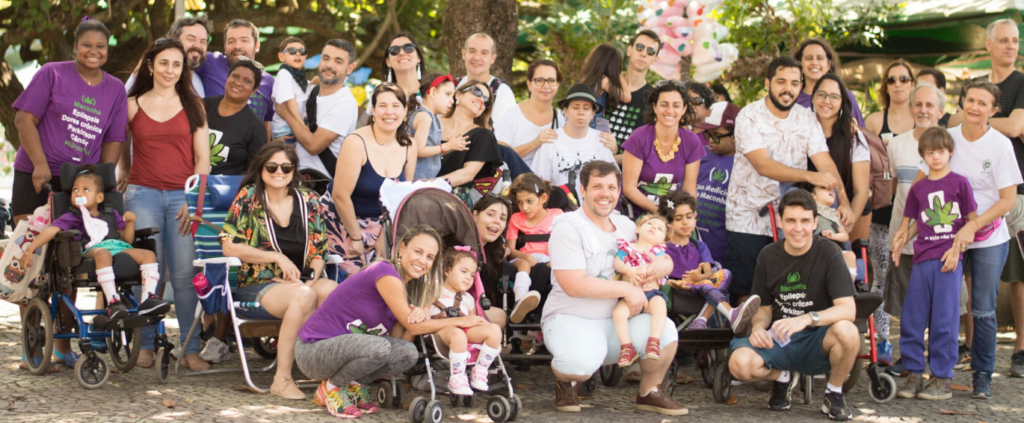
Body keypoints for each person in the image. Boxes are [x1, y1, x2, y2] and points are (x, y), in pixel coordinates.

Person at [541, 160, 687, 416]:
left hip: (619, 322)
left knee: (665, 332)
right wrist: (627, 290)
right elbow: (574, 285)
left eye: (611, 187)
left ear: (619, 191)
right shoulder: (568, 226)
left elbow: (656, 249)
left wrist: (666, 264)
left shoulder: (627, 225)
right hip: (572, 318)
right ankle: (566, 381)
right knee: (578, 365)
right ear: (582, 190)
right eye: (597, 186)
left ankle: (649, 392)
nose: (605, 193)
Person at [912, 81, 1022, 399]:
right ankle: (936, 374)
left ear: (994, 110)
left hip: (988, 236)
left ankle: (982, 375)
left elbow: (1007, 200)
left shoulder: (1000, 145)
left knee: (983, 309)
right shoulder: (948, 138)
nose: (974, 107)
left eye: (982, 103)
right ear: (961, 102)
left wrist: (972, 226)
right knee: (944, 306)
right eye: (970, 100)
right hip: (945, 235)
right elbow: (920, 184)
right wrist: (907, 225)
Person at [294, 226, 460, 418]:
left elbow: (399, 339)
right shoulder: (384, 271)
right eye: (418, 251)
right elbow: (412, 328)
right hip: (313, 351)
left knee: (407, 353)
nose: (423, 261)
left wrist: (420, 312)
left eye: (430, 257)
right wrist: (463, 321)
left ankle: (354, 386)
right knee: (379, 347)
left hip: (349, 350)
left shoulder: (408, 290)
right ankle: (332, 388)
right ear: (402, 248)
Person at [727, 189, 859, 421]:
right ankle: (782, 377)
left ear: (815, 222)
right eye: (791, 221)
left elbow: (848, 309)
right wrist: (758, 327)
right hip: (781, 338)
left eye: (805, 221)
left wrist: (806, 319)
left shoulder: (829, 252)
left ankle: (834, 393)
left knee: (848, 331)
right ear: (780, 221)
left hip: (819, 339)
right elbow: (763, 308)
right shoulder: (768, 255)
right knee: (739, 364)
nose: (798, 228)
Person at [723, 56, 847, 301]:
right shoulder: (749, 116)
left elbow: (825, 164)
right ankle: (747, 328)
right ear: (767, 83)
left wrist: (844, 202)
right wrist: (811, 176)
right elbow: (763, 165)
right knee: (748, 293)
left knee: (788, 292)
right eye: (781, 82)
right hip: (747, 218)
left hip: (791, 222)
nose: (787, 89)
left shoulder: (807, 118)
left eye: (794, 83)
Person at [220, 142, 337, 400]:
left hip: (300, 283)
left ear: (294, 170)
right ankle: (282, 379)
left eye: (286, 167)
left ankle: (333, 375)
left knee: (332, 290)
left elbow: (319, 251)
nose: (279, 172)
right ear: (261, 168)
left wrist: (308, 279)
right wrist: (276, 257)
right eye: (272, 166)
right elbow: (229, 246)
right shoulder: (249, 197)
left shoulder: (309, 200)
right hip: (258, 286)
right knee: (303, 296)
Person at [122, 38, 210, 371]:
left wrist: (194, 199)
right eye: (163, 63)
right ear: (150, 66)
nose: (170, 70)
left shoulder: (194, 105)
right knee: (149, 275)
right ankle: (144, 345)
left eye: (176, 64)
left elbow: (203, 160)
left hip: (181, 198)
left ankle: (189, 349)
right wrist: (122, 173)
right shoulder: (132, 104)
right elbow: (119, 145)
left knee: (185, 276)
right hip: (142, 195)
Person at [950, 20, 1024, 378]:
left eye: (1016, 41)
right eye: (1004, 40)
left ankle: (1019, 351)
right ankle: (969, 348)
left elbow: (1016, 127)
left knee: (1017, 279)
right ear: (988, 44)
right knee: (968, 283)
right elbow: (951, 121)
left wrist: (977, 120)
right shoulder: (977, 84)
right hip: (964, 205)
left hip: (1012, 196)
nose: (1012, 46)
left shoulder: (1022, 82)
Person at [891, 127, 978, 401]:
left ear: (949, 152)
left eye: (940, 151)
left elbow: (972, 222)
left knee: (944, 320)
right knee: (912, 318)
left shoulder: (960, 183)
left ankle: (942, 378)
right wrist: (902, 237)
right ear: (923, 156)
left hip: (949, 261)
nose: (936, 157)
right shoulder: (919, 188)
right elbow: (917, 222)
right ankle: (915, 373)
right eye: (930, 153)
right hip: (922, 259)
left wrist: (958, 249)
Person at [12, 19, 127, 223]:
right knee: (29, 236)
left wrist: (102, 179)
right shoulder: (52, 73)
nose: (94, 51)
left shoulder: (116, 89)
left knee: (75, 239)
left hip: (80, 181)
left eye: (100, 46)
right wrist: (40, 164)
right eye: (87, 45)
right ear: (75, 47)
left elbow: (113, 140)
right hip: (37, 173)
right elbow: (24, 120)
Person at [18, 165, 169, 318]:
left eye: (85, 190)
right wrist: (29, 250)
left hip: (117, 246)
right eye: (75, 190)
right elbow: (51, 231)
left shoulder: (111, 213)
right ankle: (113, 301)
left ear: (99, 198)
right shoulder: (72, 216)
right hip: (91, 249)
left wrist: (129, 223)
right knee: (103, 253)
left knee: (149, 255)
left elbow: (128, 240)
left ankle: (147, 299)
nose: (78, 193)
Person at [884, 83, 949, 374]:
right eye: (918, 104)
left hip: (939, 242)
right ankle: (909, 359)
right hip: (904, 239)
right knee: (906, 305)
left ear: (941, 111)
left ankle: (937, 361)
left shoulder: (950, 145)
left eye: (929, 105)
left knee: (938, 306)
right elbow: (895, 189)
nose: (923, 110)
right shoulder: (896, 145)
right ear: (910, 108)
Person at [323, 83, 416, 274]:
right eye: (382, 105)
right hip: (342, 221)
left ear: (405, 111)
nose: (389, 112)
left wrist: (383, 235)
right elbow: (340, 195)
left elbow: (402, 198)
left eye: (396, 105)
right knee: (357, 279)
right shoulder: (356, 142)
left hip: (381, 226)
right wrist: (356, 238)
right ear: (373, 110)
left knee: (390, 275)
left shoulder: (409, 145)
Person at [658, 191, 760, 332]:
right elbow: (659, 276)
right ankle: (730, 313)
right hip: (675, 292)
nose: (685, 222)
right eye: (678, 218)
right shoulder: (661, 247)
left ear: (695, 217)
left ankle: (702, 319)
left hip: (700, 290)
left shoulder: (699, 245)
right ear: (668, 222)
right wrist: (675, 283)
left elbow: (708, 273)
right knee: (708, 286)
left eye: (689, 217)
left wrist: (699, 277)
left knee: (725, 274)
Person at [864, 61, 916, 320]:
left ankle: (915, 331)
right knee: (882, 273)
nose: (898, 84)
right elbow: (863, 164)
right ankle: (882, 336)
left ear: (913, 84)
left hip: (916, 207)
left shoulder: (923, 119)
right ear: (885, 86)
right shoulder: (874, 120)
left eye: (904, 79)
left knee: (916, 273)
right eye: (892, 79)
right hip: (883, 206)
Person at [424, 247, 503, 395]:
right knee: (458, 334)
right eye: (463, 271)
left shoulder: (468, 299)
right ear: (447, 271)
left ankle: (480, 369)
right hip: (440, 331)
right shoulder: (434, 290)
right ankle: (457, 376)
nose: (468, 278)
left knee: (495, 330)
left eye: (472, 275)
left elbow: (472, 321)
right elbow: (423, 312)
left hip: (464, 332)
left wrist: (482, 324)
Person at [620, 81, 705, 220]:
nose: (670, 110)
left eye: (676, 105)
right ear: (655, 107)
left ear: (684, 109)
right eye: (664, 104)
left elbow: (689, 190)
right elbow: (629, 188)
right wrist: (659, 212)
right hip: (634, 214)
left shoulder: (692, 141)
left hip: (671, 214)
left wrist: (688, 214)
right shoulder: (639, 137)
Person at [278, 39, 359, 179]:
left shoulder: (344, 104)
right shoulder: (311, 90)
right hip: (291, 176)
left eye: (338, 61)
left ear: (350, 68)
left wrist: (287, 114)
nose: (329, 65)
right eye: (325, 58)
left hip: (319, 183)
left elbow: (313, 146)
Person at [809, 73, 871, 230]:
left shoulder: (853, 137)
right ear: (813, 97)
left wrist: (847, 227)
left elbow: (861, 191)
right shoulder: (802, 129)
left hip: (847, 212)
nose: (826, 101)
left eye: (834, 97)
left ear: (842, 102)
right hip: (807, 212)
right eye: (821, 94)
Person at [195, 19, 276, 136]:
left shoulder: (269, 82)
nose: (237, 46)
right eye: (231, 41)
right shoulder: (210, 62)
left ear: (257, 45)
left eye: (244, 40)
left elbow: (265, 124)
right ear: (225, 46)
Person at [531, 83, 618, 187]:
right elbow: (539, 184)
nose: (581, 112)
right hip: (560, 197)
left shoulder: (602, 140)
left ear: (592, 113)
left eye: (586, 108)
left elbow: (614, 180)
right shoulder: (550, 142)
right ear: (565, 111)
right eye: (575, 107)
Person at [612, 215, 671, 366]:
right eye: (650, 224)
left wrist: (645, 268)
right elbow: (617, 262)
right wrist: (629, 270)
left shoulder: (658, 252)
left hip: (651, 293)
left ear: (663, 240)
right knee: (618, 313)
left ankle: (654, 341)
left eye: (660, 229)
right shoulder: (628, 247)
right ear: (638, 229)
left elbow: (660, 265)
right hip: (629, 294)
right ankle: (627, 347)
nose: (654, 227)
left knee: (660, 307)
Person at [438, 80, 503, 207]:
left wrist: (429, 184)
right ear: (458, 95)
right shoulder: (431, 123)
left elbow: (467, 174)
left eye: (487, 101)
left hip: (453, 200)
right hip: (415, 191)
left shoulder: (483, 135)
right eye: (477, 92)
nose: (482, 100)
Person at [505, 173, 556, 323]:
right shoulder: (515, 218)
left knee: (552, 266)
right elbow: (511, 250)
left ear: (543, 198)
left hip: (549, 258)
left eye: (529, 201)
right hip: (523, 258)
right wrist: (526, 256)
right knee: (524, 264)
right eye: (520, 202)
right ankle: (520, 301)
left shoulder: (557, 216)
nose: (524, 207)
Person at [493, 59, 565, 164]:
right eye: (539, 80)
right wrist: (534, 143)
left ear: (557, 84)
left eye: (551, 80)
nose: (546, 86)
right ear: (529, 84)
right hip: (516, 174)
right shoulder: (511, 115)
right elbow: (500, 156)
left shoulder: (562, 118)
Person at [205, 59, 268, 175]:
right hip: (189, 181)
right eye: (235, 76)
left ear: (254, 90)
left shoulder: (255, 127)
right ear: (227, 78)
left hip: (228, 185)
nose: (238, 83)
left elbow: (256, 171)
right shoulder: (202, 106)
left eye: (247, 81)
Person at [695, 101, 739, 261]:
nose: (711, 140)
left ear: (735, 136)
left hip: (724, 249)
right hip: (693, 242)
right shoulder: (699, 155)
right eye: (708, 134)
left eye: (717, 136)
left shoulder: (745, 163)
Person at [125, 16, 211, 97]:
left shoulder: (199, 82)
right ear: (174, 40)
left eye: (203, 41)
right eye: (191, 39)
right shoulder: (151, 76)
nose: (197, 46)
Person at [608, 29, 660, 160]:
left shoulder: (654, 99)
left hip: (627, 169)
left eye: (650, 52)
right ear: (629, 50)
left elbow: (648, 149)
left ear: (655, 59)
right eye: (640, 47)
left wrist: (614, 159)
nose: (643, 54)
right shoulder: (606, 84)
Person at [792, 38, 864, 126]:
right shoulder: (791, 99)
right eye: (809, 58)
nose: (814, 62)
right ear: (799, 64)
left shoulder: (846, 97)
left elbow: (860, 131)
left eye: (820, 58)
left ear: (828, 65)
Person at [796, 182, 859, 279]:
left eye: (832, 189)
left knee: (850, 255)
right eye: (824, 188)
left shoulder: (834, 215)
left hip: (836, 249)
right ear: (813, 195)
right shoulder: (808, 212)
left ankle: (848, 285)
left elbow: (845, 236)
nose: (831, 190)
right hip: (817, 249)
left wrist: (833, 236)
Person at [410, 73, 463, 180]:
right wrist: (445, 146)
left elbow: (432, 151)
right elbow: (418, 150)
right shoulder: (424, 116)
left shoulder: (434, 117)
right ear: (433, 92)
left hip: (427, 178)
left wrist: (451, 146)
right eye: (447, 94)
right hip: (417, 178)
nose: (452, 101)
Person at [457, 33, 516, 119]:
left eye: (484, 53)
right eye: (472, 51)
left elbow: (503, 127)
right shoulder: (453, 85)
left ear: (492, 58)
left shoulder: (501, 92)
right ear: (464, 54)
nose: (477, 57)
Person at [578, 43, 631, 127]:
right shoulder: (603, 81)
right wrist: (619, 73)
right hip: (595, 127)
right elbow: (627, 97)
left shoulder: (584, 79)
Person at [269, 37, 309, 141]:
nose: (298, 54)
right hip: (286, 130)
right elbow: (290, 102)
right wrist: (302, 126)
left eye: (302, 51)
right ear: (281, 57)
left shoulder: (301, 79)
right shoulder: (284, 74)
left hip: (295, 127)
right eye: (292, 51)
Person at [381, 31, 426, 100]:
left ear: (418, 57)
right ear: (388, 62)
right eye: (394, 50)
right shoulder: (380, 96)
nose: (402, 53)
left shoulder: (433, 93)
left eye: (408, 48)